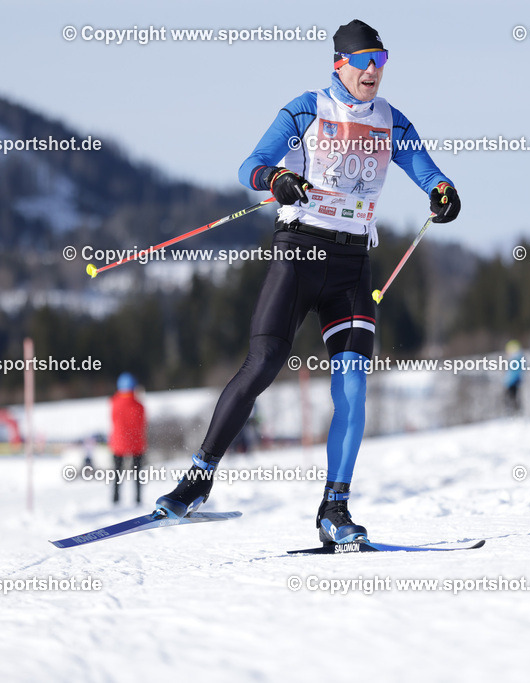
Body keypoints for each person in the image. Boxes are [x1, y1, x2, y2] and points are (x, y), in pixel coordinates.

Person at [153, 19, 460, 545]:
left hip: (351, 268)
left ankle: (334, 508)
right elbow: (251, 164)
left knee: (354, 385)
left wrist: (442, 191)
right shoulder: (307, 108)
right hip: (299, 254)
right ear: (339, 63)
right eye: (364, 60)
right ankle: (198, 478)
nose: (373, 71)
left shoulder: (391, 120)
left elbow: (425, 169)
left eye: (381, 61)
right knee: (264, 363)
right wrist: (276, 179)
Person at [109, 372, 147, 505]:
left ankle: (115, 498)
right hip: (136, 444)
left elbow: (113, 420)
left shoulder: (114, 403)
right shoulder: (139, 405)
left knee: (117, 473)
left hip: (118, 443)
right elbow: (142, 424)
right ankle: (138, 499)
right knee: (137, 473)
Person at [503, 339, 524, 414]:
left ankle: (514, 413)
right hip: (513, 381)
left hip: (512, 382)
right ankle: (515, 412)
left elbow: (513, 372)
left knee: (511, 398)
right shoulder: (518, 359)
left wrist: (508, 381)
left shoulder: (516, 359)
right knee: (513, 397)